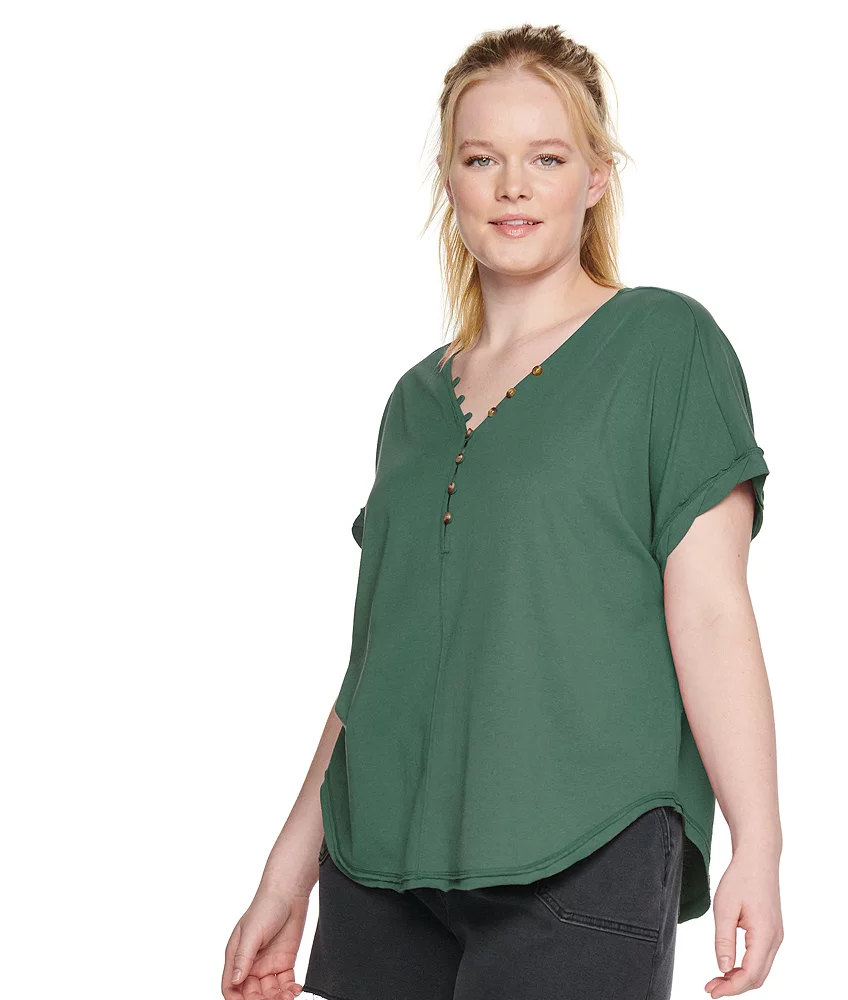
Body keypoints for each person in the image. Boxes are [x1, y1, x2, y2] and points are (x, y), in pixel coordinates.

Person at [222, 23, 783, 1000]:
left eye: (546, 158)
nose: (513, 186)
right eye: (483, 159)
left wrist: (757, 844)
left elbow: (709, 611)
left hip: (584, 847)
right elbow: (377, 662)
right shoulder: (412, 402)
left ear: (596, 177)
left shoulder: (664, 346)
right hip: (380, 868)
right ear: (449, 179)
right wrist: (288, 869)